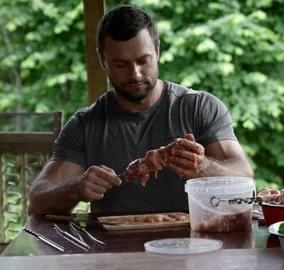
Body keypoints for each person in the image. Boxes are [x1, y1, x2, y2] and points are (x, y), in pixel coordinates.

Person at [28, 4, 253, 215]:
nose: (135, 74)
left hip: (194, 247)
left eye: (143, 61)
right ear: (103, 60)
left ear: (156, 51)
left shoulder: (199, 107)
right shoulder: (84, 125)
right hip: (114, 253)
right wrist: (75, 188)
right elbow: (37, 201)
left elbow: (244, 176)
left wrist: (204, 168)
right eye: (121, 64)